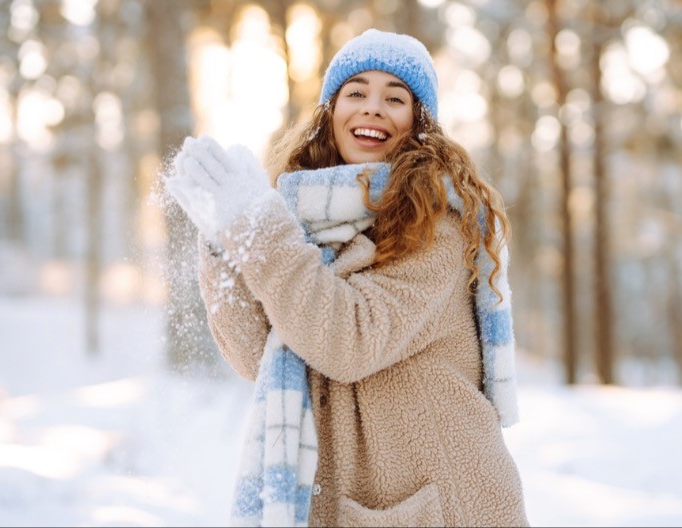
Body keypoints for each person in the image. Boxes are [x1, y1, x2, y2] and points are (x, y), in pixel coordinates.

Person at [166, 28, 529, 528]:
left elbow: (349, 339)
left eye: (394, 98)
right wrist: (224, 238)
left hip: (447, 503)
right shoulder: (301, 227)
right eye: (355, 92)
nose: (372, 108)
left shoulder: (437, 226)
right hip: (352, 500)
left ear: (419, 124)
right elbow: (259, 355)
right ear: (330, 114)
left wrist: (258, 229)